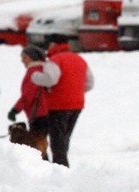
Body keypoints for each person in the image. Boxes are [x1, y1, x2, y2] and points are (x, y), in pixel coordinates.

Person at [31, 34, 94, 167]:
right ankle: (62, 164)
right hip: (77, 104)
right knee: (65, 137)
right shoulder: (79, 59)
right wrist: (75, 91)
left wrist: (36, 77)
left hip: (58, 105)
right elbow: (90, 82)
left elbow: (50, 79)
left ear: (53, 44)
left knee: (57, 140)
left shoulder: (55, 60)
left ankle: (61, 168)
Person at [7, 45, 50, 159]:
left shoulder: (33, 72)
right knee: (42, 143)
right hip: (47, 112)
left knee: (36, 146)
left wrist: (15, 110)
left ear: (32, 58)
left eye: (24, 57)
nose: (22, 60)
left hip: (38, 114)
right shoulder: (43, 70)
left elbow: (27, 96)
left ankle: (45, 168)